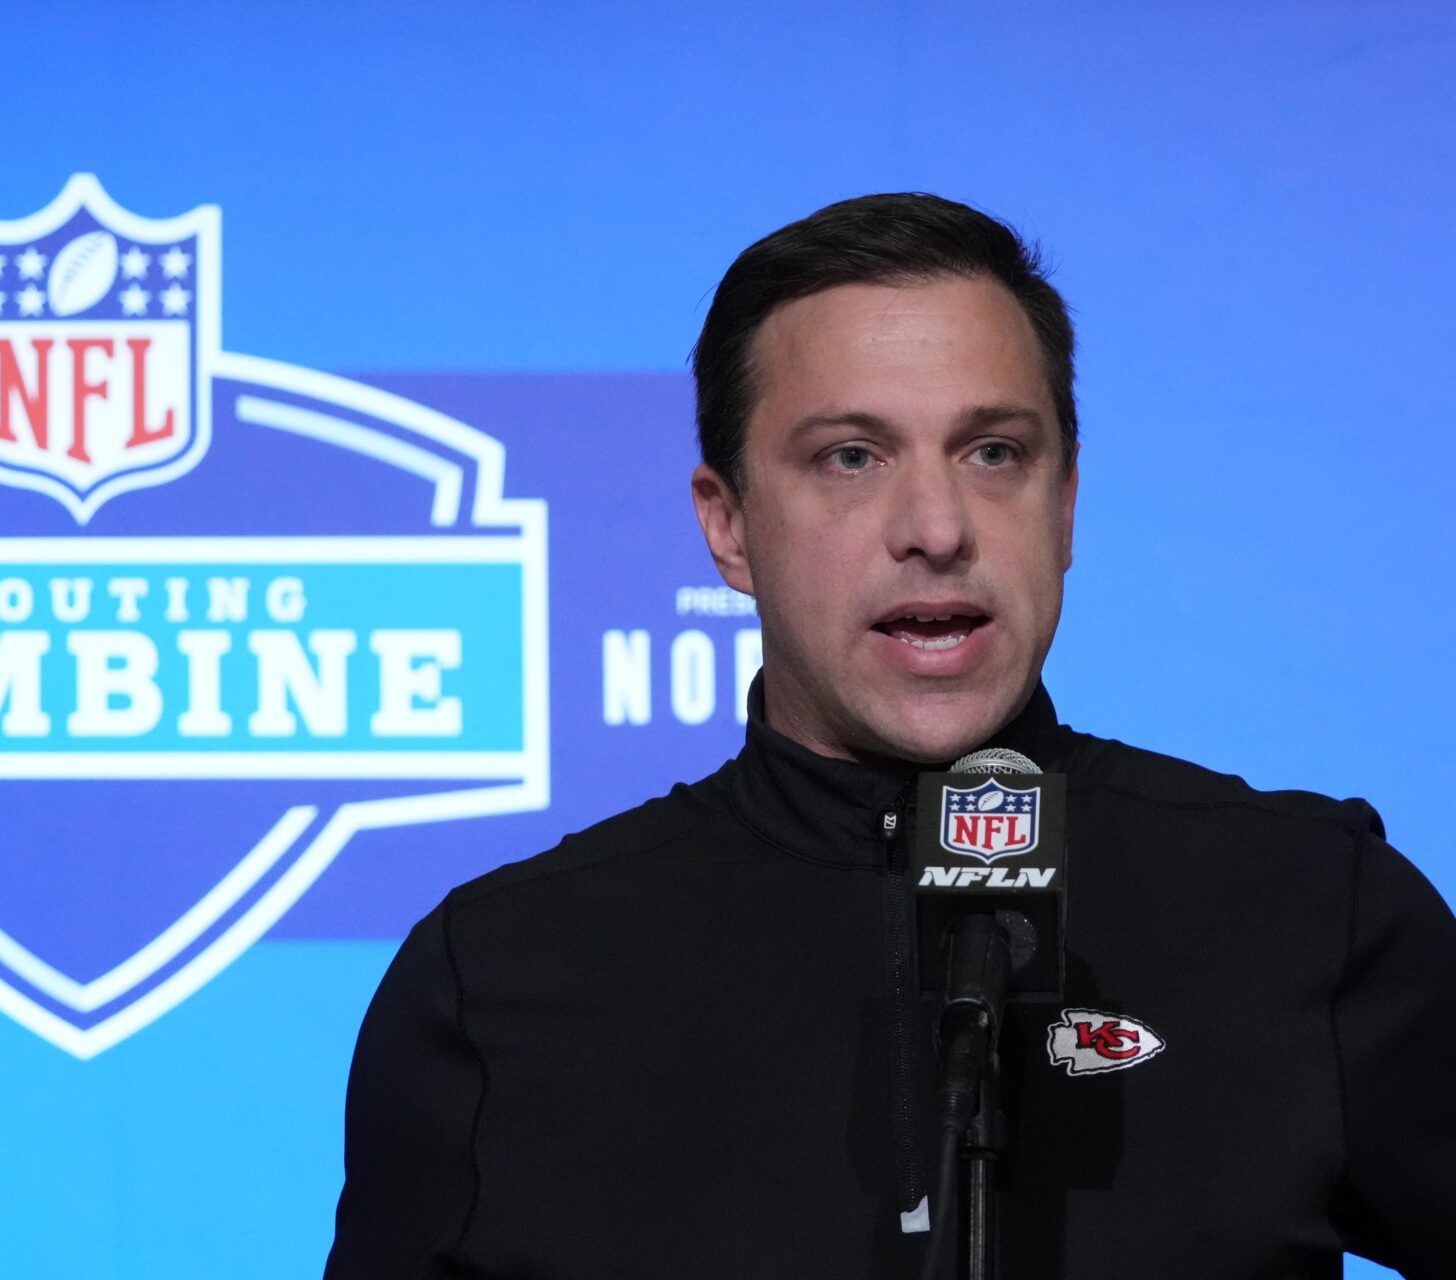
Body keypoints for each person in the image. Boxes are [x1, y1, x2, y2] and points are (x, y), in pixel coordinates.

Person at [323, 194, 1456, 1278]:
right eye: (851, 457)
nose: (936, 528)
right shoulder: (502, 979)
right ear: (727, 526)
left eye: (994, 451)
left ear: (1065, 507)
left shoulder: (1308, 907)